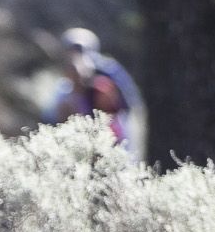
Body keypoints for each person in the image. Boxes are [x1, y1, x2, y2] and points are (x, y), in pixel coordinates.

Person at [43, 27, 143, 158]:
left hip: (114, 132)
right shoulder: (65, 86)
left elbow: (128, 102)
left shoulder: (108, 72)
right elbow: (50, 115)